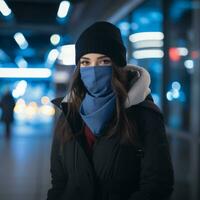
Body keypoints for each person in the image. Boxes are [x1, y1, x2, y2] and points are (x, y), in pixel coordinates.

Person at [47, 21, 174, 200]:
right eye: (85, 62)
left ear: (118, 65)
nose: (93, 69)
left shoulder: (143, 115)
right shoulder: (69, 115)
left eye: (103, 61)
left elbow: (157, 185)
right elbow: (59, 182)